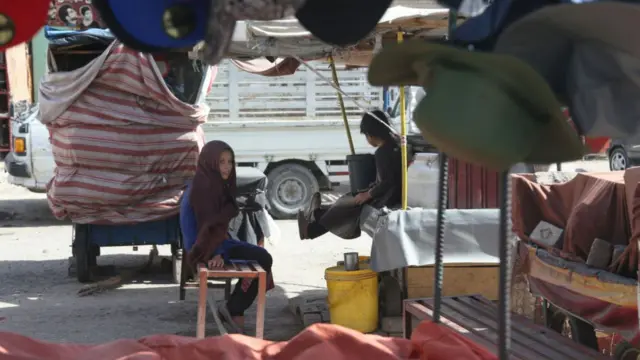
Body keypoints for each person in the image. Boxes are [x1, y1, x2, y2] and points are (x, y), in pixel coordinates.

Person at [185, 140, 273, 334]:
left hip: (215, 243)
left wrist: (220, 248)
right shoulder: (203, 189)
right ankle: (234, 310)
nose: (226, 167)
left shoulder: (215, 184)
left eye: (230, 162)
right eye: (221, 162)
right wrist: (216, 253)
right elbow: (204, 229)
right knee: (262, 260)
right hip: (203, 248)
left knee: (263, 257)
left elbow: (216, 227)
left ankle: (232, 308)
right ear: (210, 163)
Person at [297, 109, 402, 240]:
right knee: (346, 201)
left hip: (386, 198)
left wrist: (367, 194)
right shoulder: (396, 144)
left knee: (347, 203)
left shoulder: (382, 152)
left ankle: (313, 226)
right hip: (390, 194)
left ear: (371, 134)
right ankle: (314, 219)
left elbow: (386, 182)